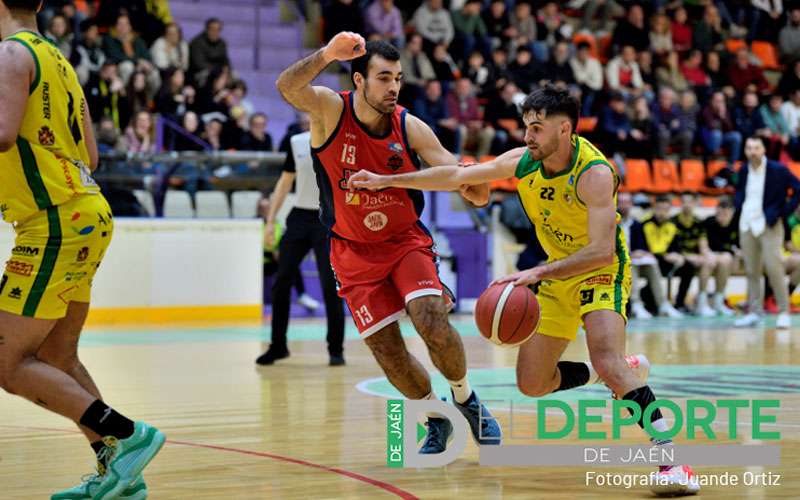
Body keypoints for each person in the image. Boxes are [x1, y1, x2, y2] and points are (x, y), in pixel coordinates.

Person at [348, 85, 699, 496]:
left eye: (536, 127)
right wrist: (387, 180)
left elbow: (602, 252)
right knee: (533, 383)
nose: (528, 136)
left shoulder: (595, 174)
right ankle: (621, 369)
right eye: (526, 126)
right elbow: (458, 174)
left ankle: (673, 460)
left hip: (600, 272)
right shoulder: (524, 161)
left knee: (606, 357)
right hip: (552, 275)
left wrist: (539, 272)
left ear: (564, 129)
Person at [275, 33, 501, 452]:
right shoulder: (329, 109)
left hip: (404, 242)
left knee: (430, 316)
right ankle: (436, 417)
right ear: (359, 80)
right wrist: (327, 54)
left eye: (397, 78)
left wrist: (473, 184)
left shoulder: (409, 125)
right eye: (383, 78)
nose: (393, 87)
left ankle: (466, 397)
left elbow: (454, 172)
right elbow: (287, 87)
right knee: (388, 352)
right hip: (351, 250)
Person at [0, 1, 164, 498]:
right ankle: (120, 475)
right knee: (56, 353)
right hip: (84, 212)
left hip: (53, 222)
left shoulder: (9, 55)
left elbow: (3, 135)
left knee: (6, 363)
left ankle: (128, 435)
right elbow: (89, 154)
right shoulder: (60, 61)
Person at [256, 131, 345, 366]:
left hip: (328, 218)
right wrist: (270, 221)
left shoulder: (342, 140)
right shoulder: (297, 142)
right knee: (281, 281)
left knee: (330, 285)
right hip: (299, 217)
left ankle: (336, 349)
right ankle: (278, 346)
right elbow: (285, 181)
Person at [733, 136, 800, 329]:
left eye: (756, 147)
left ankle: (783, 311)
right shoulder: (744, 169)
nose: (752, 151)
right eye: (748, 147)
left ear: (763, 150)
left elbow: (797, 189)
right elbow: (740, 192)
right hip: (746, 223)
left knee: (774, 268)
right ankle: (754, 311)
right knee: (752, 270)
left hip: (769, 224)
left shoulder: (777, 169)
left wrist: (783, 212)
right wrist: (739, 204)